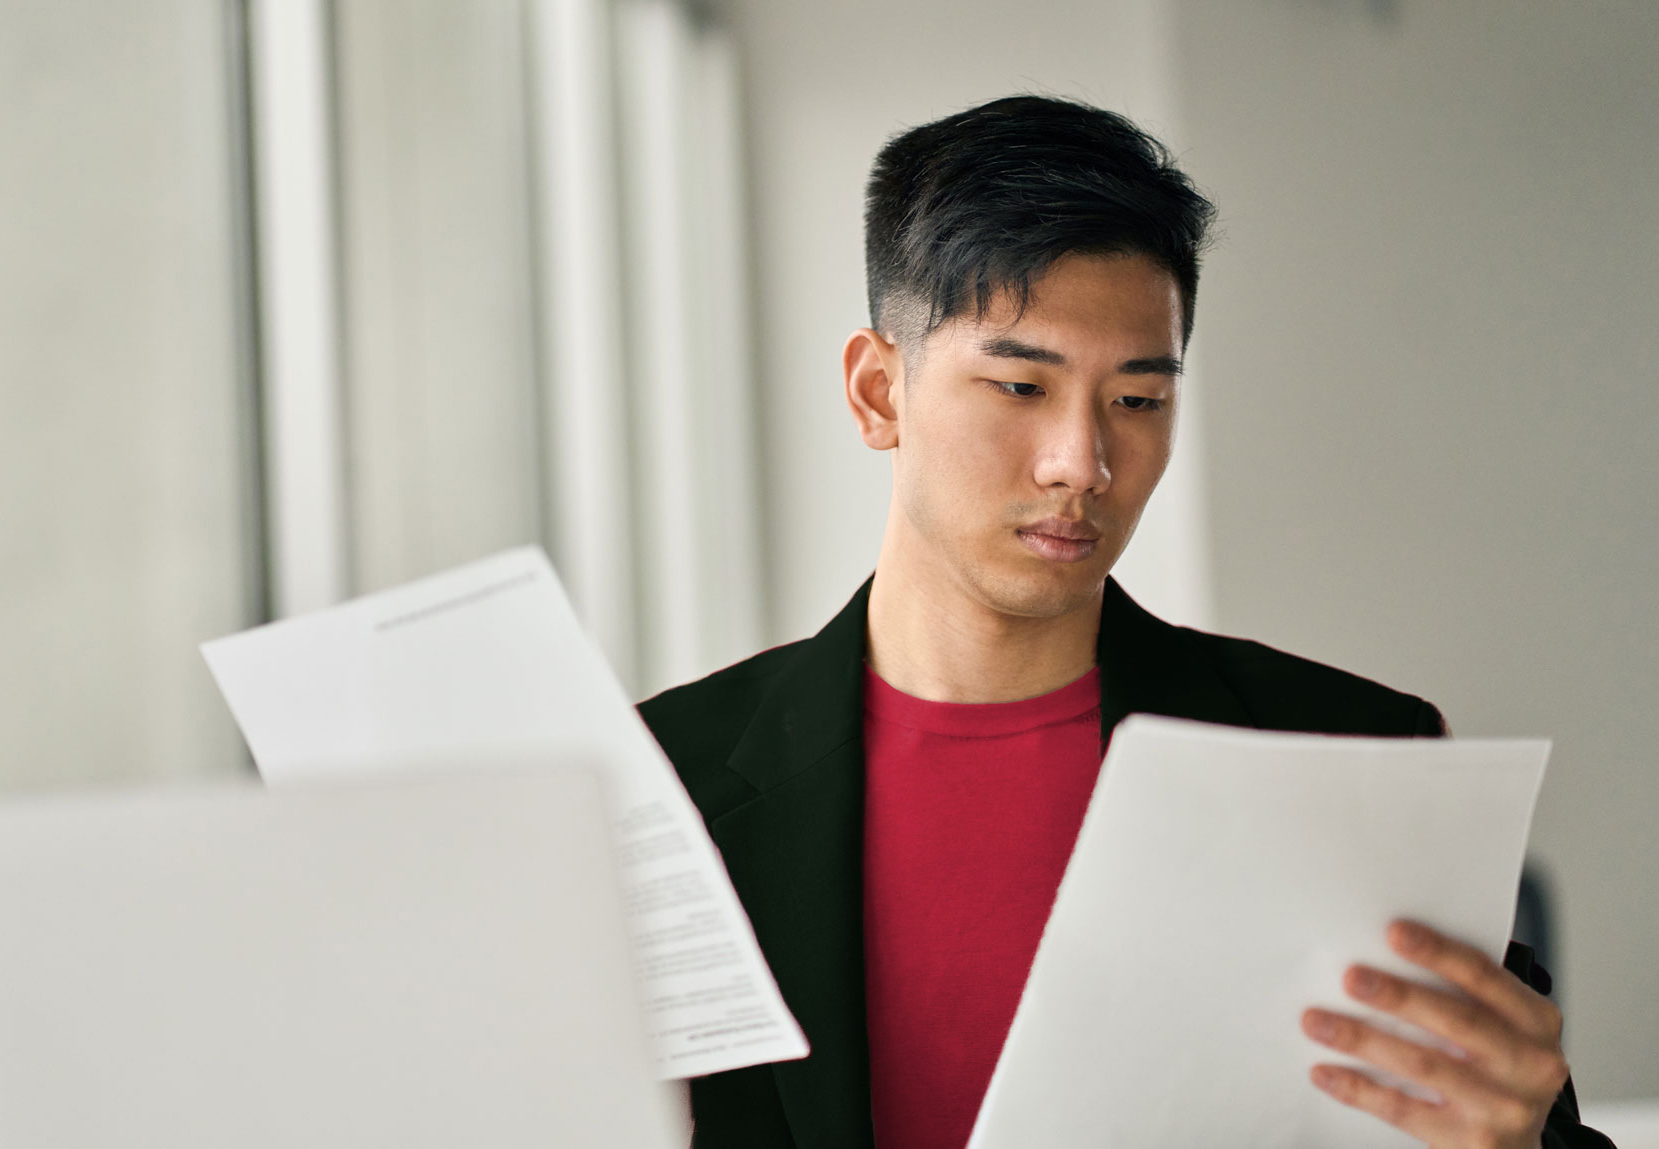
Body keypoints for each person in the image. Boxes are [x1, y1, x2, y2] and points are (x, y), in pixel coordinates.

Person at [638, 96, 1611, 1149]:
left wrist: (1520, 1139)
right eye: (1020, 386)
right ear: (880, 394)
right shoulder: (656, 784)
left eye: (1138, 402)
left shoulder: (1349, 750)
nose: (1082, 464)